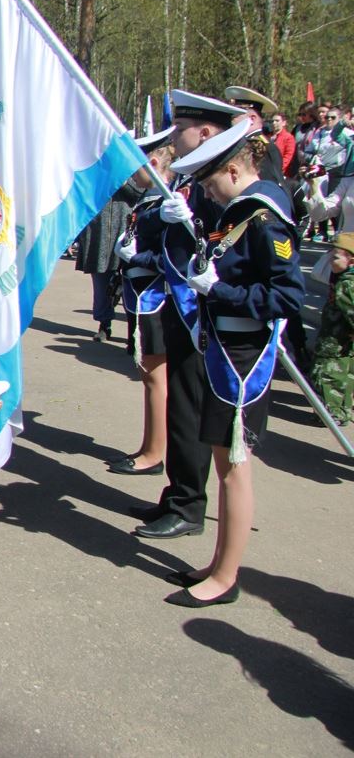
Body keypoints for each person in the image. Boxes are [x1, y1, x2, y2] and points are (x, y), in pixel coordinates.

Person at [154, 121, 302, 607]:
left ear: (235, 171)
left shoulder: (264, 217)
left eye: (211, 183)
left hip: (245, 362)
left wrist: (219, 290)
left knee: (234, 469)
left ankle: (227, 576)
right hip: (225, 351)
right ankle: (219, 563)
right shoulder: (243, 212)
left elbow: (286, 296)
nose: (208, 195)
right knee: (224, 465)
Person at [132, 90, 246, 541]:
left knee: (193, 408)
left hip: (207, 312)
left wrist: (196, 222)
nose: (174, 137)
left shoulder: (225, 178)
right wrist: (165, 215)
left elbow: (230, 239)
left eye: (181, 129)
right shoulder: (188, 179)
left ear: (206, 132)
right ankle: (179, 492)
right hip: (183, 304)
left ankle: (188, 505)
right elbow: (156, 230)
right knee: (182, 404)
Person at [110, 129, 176, 476]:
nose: (129, 174)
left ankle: (154, 452)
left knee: (155, 377)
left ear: (151, 162)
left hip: (156, 298)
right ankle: (150, 445)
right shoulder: (150, 198)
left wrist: (139, 258)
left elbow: (173, 259)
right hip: (142, 297)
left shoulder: (168, 202)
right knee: (149, 375)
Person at [76, 179, 142, 342]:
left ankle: (133, 330)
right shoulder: (96, 167)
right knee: (101, 284)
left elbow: (139, 193)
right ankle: (104, 324)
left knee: (130, 284)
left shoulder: (130, 167)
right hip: (98, 232)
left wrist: (124, 180)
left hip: (125, 232)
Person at [309, 232, 354, 426]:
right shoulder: (343, 278)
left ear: (351, 259)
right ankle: (340, 412)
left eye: (336, 256)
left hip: (335, 343)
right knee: (341, 378)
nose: (331, 261)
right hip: (341, 344)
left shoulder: (346, 284)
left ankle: (333, 415)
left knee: (328, 377)